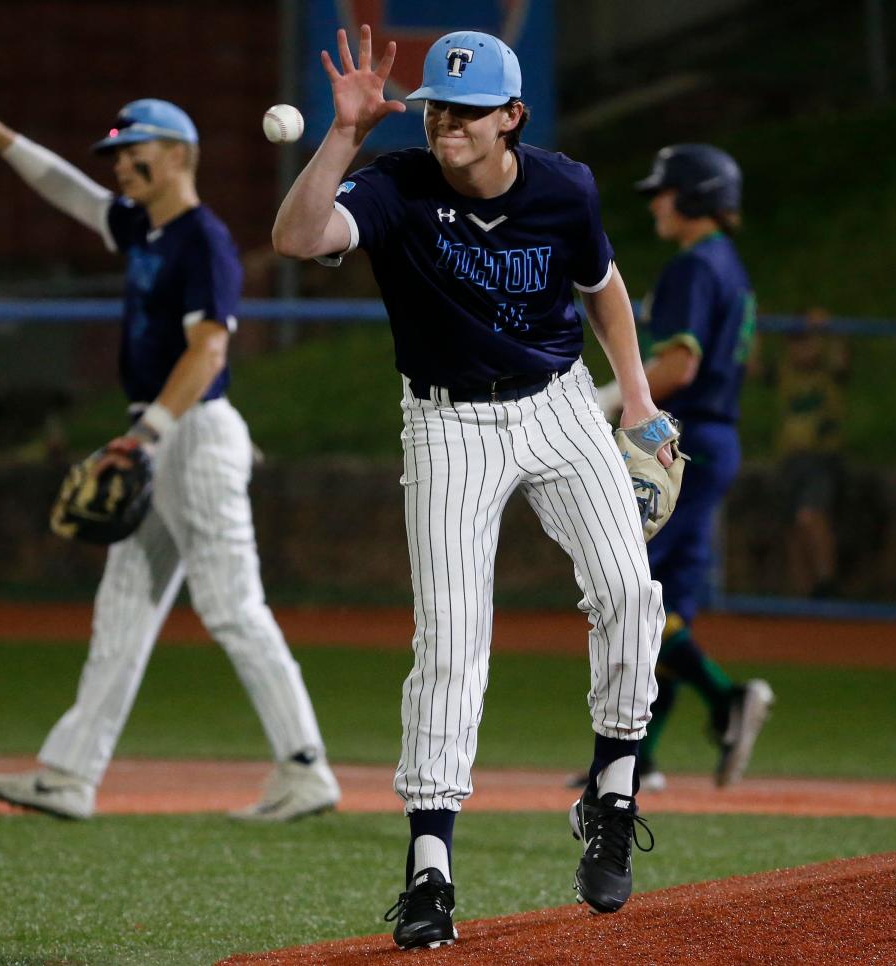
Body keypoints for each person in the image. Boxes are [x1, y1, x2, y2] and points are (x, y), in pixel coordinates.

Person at [274, 26, 671, 947]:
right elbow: (296, 238)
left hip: (559, 403)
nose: (446, 123)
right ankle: (429, 870)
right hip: (448, 422)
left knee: (627, 591)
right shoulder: (393, 186)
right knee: (452, 643)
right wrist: (344, 135)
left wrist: (637, 401)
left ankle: (610, 793)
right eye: (436, 108)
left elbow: (601, 285)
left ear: (511, 118)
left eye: (466, 109)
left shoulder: (562, 186)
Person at [0, 72, 339, 822]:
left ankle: (304, 766)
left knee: (232, 607)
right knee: (122, 612)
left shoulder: (202, 241)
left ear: (179, 153)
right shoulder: (146, 230)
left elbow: (209, 352)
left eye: (133, 149)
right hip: (161, 436)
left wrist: (144, 436)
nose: (118, 163)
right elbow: (70, 193)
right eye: (114, 152)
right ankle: (69, 774)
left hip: (191, 434)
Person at [596, 145, 774, 794]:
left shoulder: (693, 267)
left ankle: (726, 699)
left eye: (665, 191)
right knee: (666, 601)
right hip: (715, 437)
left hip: (680, 440)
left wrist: (604, 399)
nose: (654, 202)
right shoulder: (727, 264)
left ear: (694, 197)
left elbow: (678, 365)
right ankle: (639, 759)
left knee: (627, 592)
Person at [773, 308, 849, 598]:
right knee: (792, 524)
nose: (800, 348)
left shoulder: (828, 370)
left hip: (821, 458)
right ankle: (802, 594)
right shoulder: (786, 371)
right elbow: (751, 365)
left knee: (810, 516)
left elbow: (842, 358)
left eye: (806, 340)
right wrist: (750, 323)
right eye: (794, 341)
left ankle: (826, 584)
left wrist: (828, 328)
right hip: (790, 457)